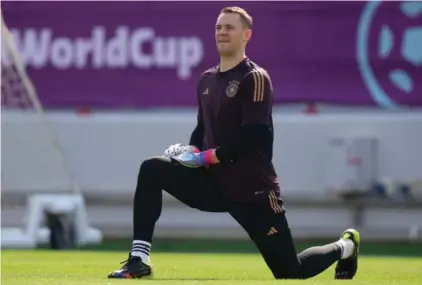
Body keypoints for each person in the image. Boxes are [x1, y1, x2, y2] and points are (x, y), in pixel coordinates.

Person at [107, 6, 360, 280]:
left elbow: (255, 135)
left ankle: (345, 246)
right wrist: (190, 151)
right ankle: (138, 260)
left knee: (290, 272)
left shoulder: (255, 77)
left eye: (230, 27)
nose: (222, 32)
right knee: (152, 169)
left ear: (246, 35)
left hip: (252, 191)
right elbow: (203, 129)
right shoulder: (206, 80)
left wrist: (206, 157)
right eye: (218, 27)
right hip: (213, 185)